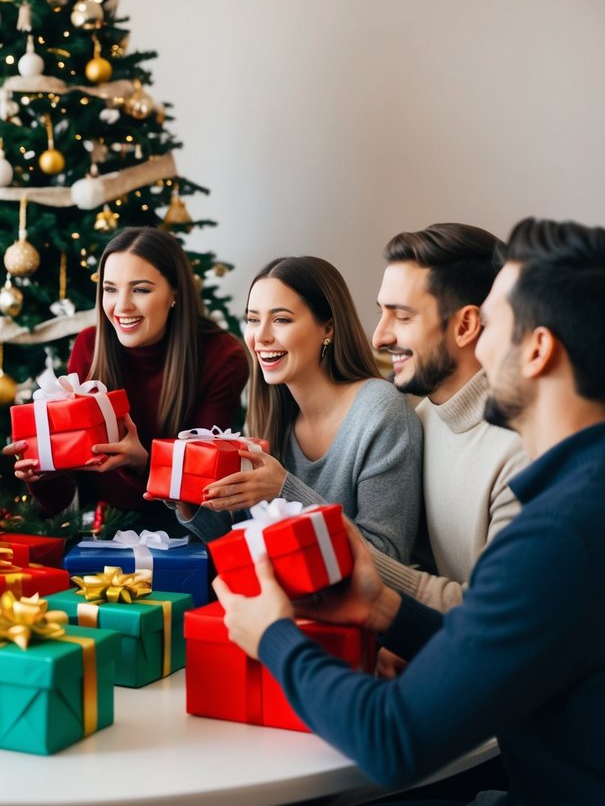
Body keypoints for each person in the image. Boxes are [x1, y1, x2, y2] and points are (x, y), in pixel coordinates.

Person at [217, 218, 605, 804]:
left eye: (493, 324)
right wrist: (385, 607)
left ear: (538, 350)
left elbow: (392, 740)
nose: (377, 338)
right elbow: (505, 640)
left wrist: (273, 637)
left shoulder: (559, 530)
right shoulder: (571, 489)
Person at [4, 226, 250, 530]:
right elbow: (63, 502)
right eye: (110, 289)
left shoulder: (222, 356)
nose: (122, 306)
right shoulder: (90, 347)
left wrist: (143, 463)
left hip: (186, 534)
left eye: (141, 289)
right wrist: (44, 471)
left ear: (175, 292)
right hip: (101, 529)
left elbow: (205, 495)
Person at [178, 256, 422, 561]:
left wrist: (283, 489)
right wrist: (188, 502)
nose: (261, 336)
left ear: (328, 328)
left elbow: (388, 558)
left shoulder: (381, 412)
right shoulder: (270, 414)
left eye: (281, 319)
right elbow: (250, 540)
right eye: (253, 319)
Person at [371, 224, 527, 612]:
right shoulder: (417, 420)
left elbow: (496, 612)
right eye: (381, 313)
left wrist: (360, 559)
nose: (379, 337)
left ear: (466, 326)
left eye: (402, 317)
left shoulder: (523, 451)